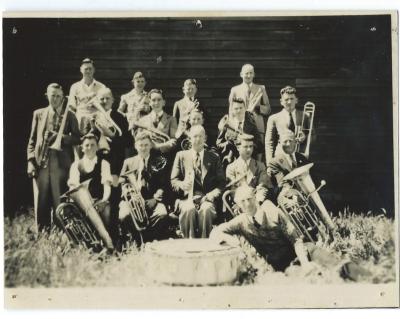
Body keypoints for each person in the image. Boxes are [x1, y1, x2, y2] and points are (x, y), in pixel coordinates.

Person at [210, 185, 371, 281]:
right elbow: (216, 233)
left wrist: (306, 262)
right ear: (238, 205)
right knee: (313, 280)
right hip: (285, 266)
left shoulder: (272, 211)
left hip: (305, 252)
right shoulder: (240, 222)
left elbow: (296, 239)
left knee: (336, 264)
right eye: (243, 201)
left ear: (255, 198)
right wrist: (232, 241)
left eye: (249, 199)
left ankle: (372, 279)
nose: (247, 204)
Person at [27, 83, 80, 232]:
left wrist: (60, 137)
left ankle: (61, 232)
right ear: (47, 96)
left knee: (59, 200)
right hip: (41, 163)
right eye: (52, 96)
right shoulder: (38, 114)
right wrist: (30, 162)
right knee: (41, 200)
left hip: (61, 164)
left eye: (58, 96)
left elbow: (77, 138)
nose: (55, 99)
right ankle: (42, 232)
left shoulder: (69, 115)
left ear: (63, 97)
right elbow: (31, 141)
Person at [89, 87, 131, 243]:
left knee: (113, 199)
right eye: (101, 99)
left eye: (107, 98)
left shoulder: (120, 116)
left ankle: (115, 236)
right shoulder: (94, 117)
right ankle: (100, 237)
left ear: (113, 100)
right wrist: (94, 128)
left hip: (114, 163)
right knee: (99, 197)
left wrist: (110, 134)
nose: (104, 102)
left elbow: (127, 141)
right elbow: (88, 141)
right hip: (98, 165)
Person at [171, 125, 225, 238]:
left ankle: (204, 244)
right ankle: (189, 242)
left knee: (206, 210)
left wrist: (212, 195)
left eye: (201, 136)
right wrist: (182, 185)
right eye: (195, 136)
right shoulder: (181, 156)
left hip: (206, 198)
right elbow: (174, 180)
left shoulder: (214, 157)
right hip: (187, 198)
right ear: (190, 138)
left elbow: (221, 183)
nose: (198, 139)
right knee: (188, 210)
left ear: (205, 138)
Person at [119, 132, 171, 243]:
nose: (143, 148)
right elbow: (123, 184)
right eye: (141, 145)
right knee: (124, 215)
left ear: (151, 145)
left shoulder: (159, 161)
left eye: (146, 145)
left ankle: (149, 240)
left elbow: (164, 185)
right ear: (135, 146)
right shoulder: (128, 162)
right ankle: (137, 239)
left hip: (152, 200)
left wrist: (155, 199)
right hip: (133, 201)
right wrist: (131, 197)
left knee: (162, 214)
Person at [67, 133, 114, 250]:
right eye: (87, 145)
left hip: (98, 201)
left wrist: (104, 200)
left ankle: (106, 240)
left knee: (107, 211)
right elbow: (73, 187)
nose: (90, 148)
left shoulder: (104, 163)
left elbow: (107, 185)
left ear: (97, 147)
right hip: (81, 204)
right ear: (82, 148)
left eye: (93, 145)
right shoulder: (75, 165)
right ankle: (104, 241)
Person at [265, 86, 310, 164]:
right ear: (281, 101)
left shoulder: (305, 115)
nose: (289, 102)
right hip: (281, 157)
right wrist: (270, 162)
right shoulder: (273, 118)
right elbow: (269, 142)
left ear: (296, 100)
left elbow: (313, 136)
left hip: (300, 156)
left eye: (292, 99)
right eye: (286, 99)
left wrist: (305, 137)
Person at [229, 64, 271, 145]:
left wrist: (258, 108)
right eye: (246, 73)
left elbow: (268, 109)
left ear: (254, 74)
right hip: (241, 127)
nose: (249, 75)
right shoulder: (235, 90)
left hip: (258, 126)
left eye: (251, 73)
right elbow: (231, 112)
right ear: (241, 74)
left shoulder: (261, 88)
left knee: (259, 150)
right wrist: (233, 128)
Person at [226, 134, 273, 206]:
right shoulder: (231, 168)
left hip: (258, 203)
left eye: (251, 146)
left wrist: (257, 202)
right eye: (245, 147)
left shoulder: (260, 166)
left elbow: (262, 186)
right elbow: (233, 191)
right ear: (238, 147)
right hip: (240, 205)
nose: (249, 149)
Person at [216, 97, 261, 168]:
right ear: (232, 110)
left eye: (241, 108)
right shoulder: (227, 124)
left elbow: (259, 145)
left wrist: (247, 144)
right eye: (236, 108)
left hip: (248, 164)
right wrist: (228, 144)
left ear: (245, 108)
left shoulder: (251, 125)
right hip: (230, 162)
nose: (239, 111)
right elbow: (218, 144)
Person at [68, 58, 106, 135]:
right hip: (80, 120)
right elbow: (72, 107)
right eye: (86, 69)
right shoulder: (74, 87)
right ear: (81, 70)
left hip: (97, 121)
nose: (88, 71)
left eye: (90, 69)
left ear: (94, 70)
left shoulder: (102, 87)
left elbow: (105, 106)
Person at [137, 89, 178, 154]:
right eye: (153, 100)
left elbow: (173, 142)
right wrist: (159, 145)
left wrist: (157, 146)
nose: (156, 103)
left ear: (164, 102)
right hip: (147, 155)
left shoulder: (171, 119)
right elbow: (139, 141)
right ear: (149, 103)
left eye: (159, 100)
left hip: (165, 157)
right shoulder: (142, 120)